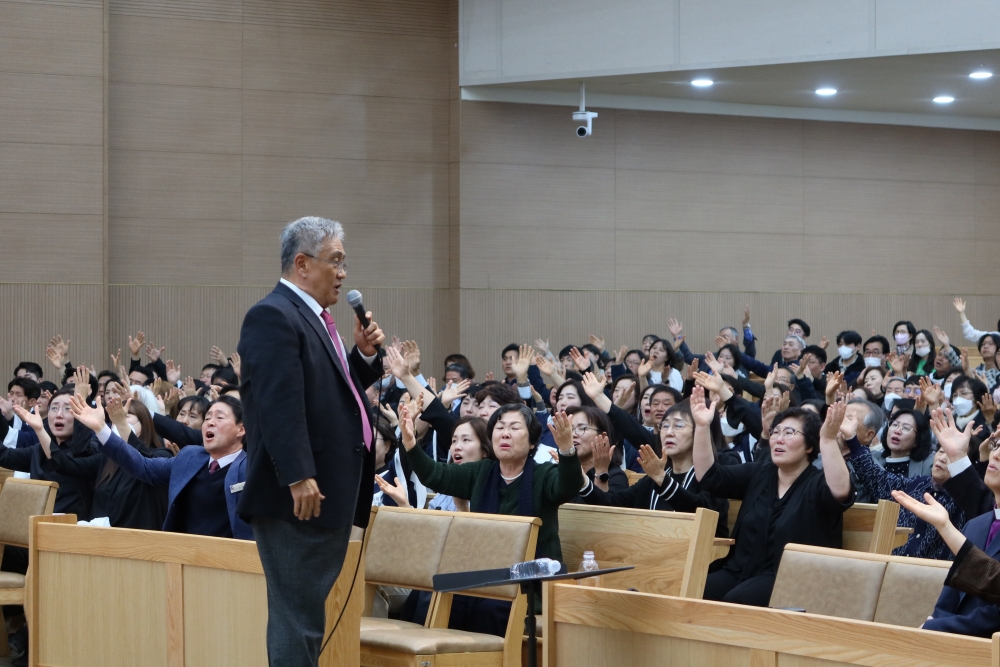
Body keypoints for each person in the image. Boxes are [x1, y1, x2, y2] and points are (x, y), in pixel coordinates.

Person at [236, 216, 385, 667]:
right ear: (302, 264)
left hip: (321, 493)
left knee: (304, 618)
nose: (343, 273)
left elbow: (332, 397)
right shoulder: (274, 315)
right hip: (298, 498)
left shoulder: (315, 319)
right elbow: (280, 405)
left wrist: (362, 355)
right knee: (296, 619)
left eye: (344, 262)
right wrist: (299, 475)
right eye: (334, 261)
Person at [401, 403, 583, 635]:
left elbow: (569, 486)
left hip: (530, 584)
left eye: (514, 427)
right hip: (483, 577)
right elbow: (436, 475)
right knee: (436, 599)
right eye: (499, 427)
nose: (505, 433)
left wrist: (567, 449)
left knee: (491, 609)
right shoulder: (481, 472)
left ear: (532, 443)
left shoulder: (543, 475)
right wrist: (410, 443)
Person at [695, 388, 854, 606]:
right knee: (694, 587)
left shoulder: (817, 483)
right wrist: (702, 427)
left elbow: (841, 492)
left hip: (794, 578)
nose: (778, 439)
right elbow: (708, 477)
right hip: (742, 570)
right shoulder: (759, 473)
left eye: (789, 433)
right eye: (776, 432)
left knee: (737, 600)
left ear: (809, 445)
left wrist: (827, 439)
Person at [70, 393, 250, 538]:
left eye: (220, 418)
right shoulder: (190, 457)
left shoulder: (252, 468)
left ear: (241, 429)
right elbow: (142, 466)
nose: (210, 422)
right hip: (183, 559)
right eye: (208, 417)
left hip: (233, 565)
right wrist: (101, 429)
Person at [32, 396, 172, 530]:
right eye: (114, 419)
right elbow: (66, 465)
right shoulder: (106, 459)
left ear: (144, 422)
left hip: (140, 541)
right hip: (102, 539)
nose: (117, 422)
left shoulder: (161, 455)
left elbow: (142, 461)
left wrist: (120, 424)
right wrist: (40, 430)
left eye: (125, 416)